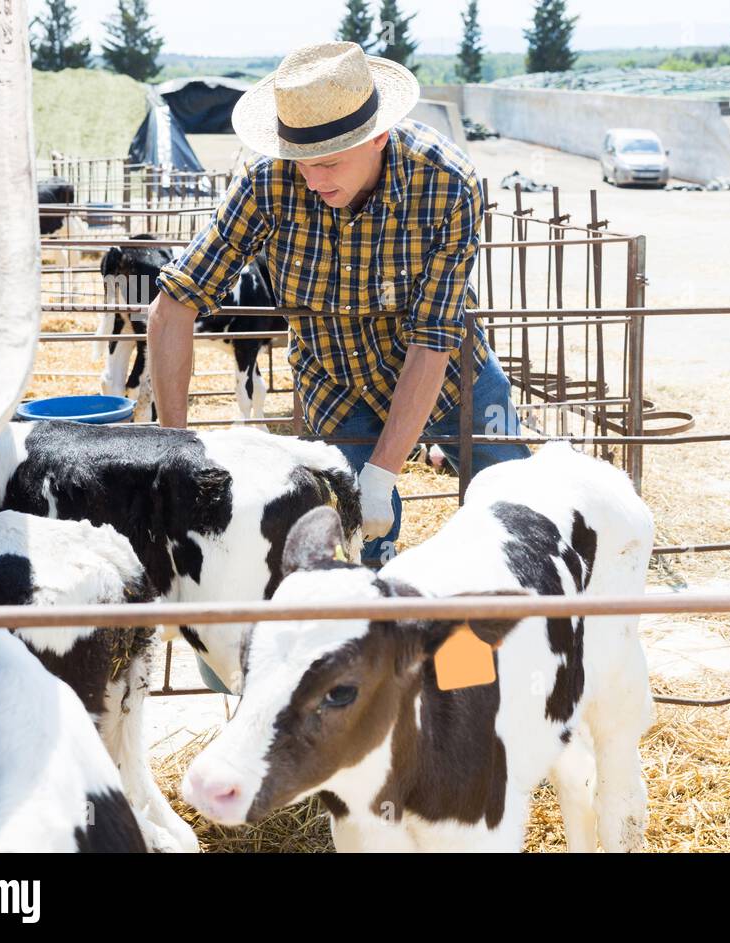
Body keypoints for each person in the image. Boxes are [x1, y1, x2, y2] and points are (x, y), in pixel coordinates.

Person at [148, 41, 529, 566]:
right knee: (356, 546)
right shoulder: (267, 183)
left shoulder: (447, 184)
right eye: (300, 162)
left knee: (514, 493)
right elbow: (175, 303)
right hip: (334, 381)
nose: (312, 179)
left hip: (447, 376)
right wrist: (175, 450)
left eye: (328, 163)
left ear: (378, 137)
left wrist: (385, 470)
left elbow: (433, 336)